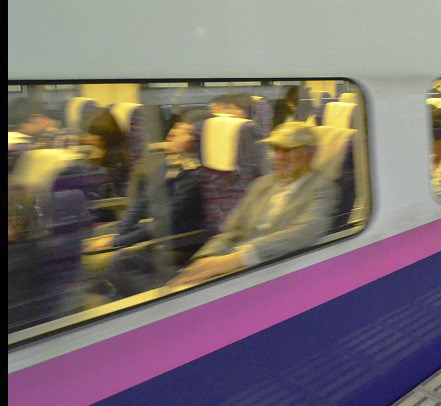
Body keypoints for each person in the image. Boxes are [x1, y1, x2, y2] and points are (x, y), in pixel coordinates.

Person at [168, 122, 334, 287]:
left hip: (277, 272)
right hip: (234, 269)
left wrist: (235, 259)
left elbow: (302, 234)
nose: (278, 157)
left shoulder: (322, 188)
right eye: (276, 150)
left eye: (288, 150)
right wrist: (204, 260)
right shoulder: (262, 184)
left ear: (310, 153)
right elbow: (231, 231)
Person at [91, 111, 211, 298]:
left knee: (120, 263)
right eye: (175, 127)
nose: (172, 132)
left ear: (195, 141)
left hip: (183, 242)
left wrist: (115, 243)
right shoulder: (166, 166)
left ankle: (166, 303)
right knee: (108, 271)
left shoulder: (196, 176)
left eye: (183, 131)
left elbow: (166, 221)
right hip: (160, 236)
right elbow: (141, 204)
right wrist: (118, 233)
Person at [83, 107, 131, 197]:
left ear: (104, 136)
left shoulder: (115, 155)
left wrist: (95, 163)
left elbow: (107, 183)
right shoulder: (109, 151)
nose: (88, 138)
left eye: (93, 134)